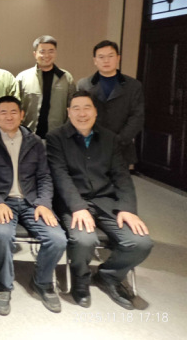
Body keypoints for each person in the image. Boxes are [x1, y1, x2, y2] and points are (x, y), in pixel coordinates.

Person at [46, 91, 153, 310]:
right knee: (84, 240)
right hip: (73, 203)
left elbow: (122, 176)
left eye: (87, 108)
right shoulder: (56, 138)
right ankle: (80, 278)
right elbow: (60, 176)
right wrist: (78, 207)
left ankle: (108, 275)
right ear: (68, 112)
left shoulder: (110, 138)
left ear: (95, 111)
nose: (81, 113)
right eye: (76, 108)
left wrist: (127, 209)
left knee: (141, 242)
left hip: (106, 201)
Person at [0, 96, 67, 315]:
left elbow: (44, 177)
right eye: (3, 112)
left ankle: (42, 282)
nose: (9, 116)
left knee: (58, 239)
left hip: (32, 202)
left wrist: (44, 203)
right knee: (2, 235)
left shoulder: (35, 142)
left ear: (22, 115)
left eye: (13, 112)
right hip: (3, 202)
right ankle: (3, 285)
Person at [77, 40, 144, 166]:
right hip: (90, 146)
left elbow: (137, 117)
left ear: (118, 58)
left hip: (121, 148)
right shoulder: (84, 84)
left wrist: (118, 141)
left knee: (119, 178)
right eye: (101, 57)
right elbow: (79, 115)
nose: (106, 61)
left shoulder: (133, 86)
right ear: (95, 60)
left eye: (110, 56)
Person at [16, 35, 75, 138]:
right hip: (28, 137)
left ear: (55, 53)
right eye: (42, 51)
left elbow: (73, 108)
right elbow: (15, 109)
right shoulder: (23, 78)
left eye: (51, 51)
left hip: (58, 137)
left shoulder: (66, 78)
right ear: (35, 54)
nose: (47, 55)